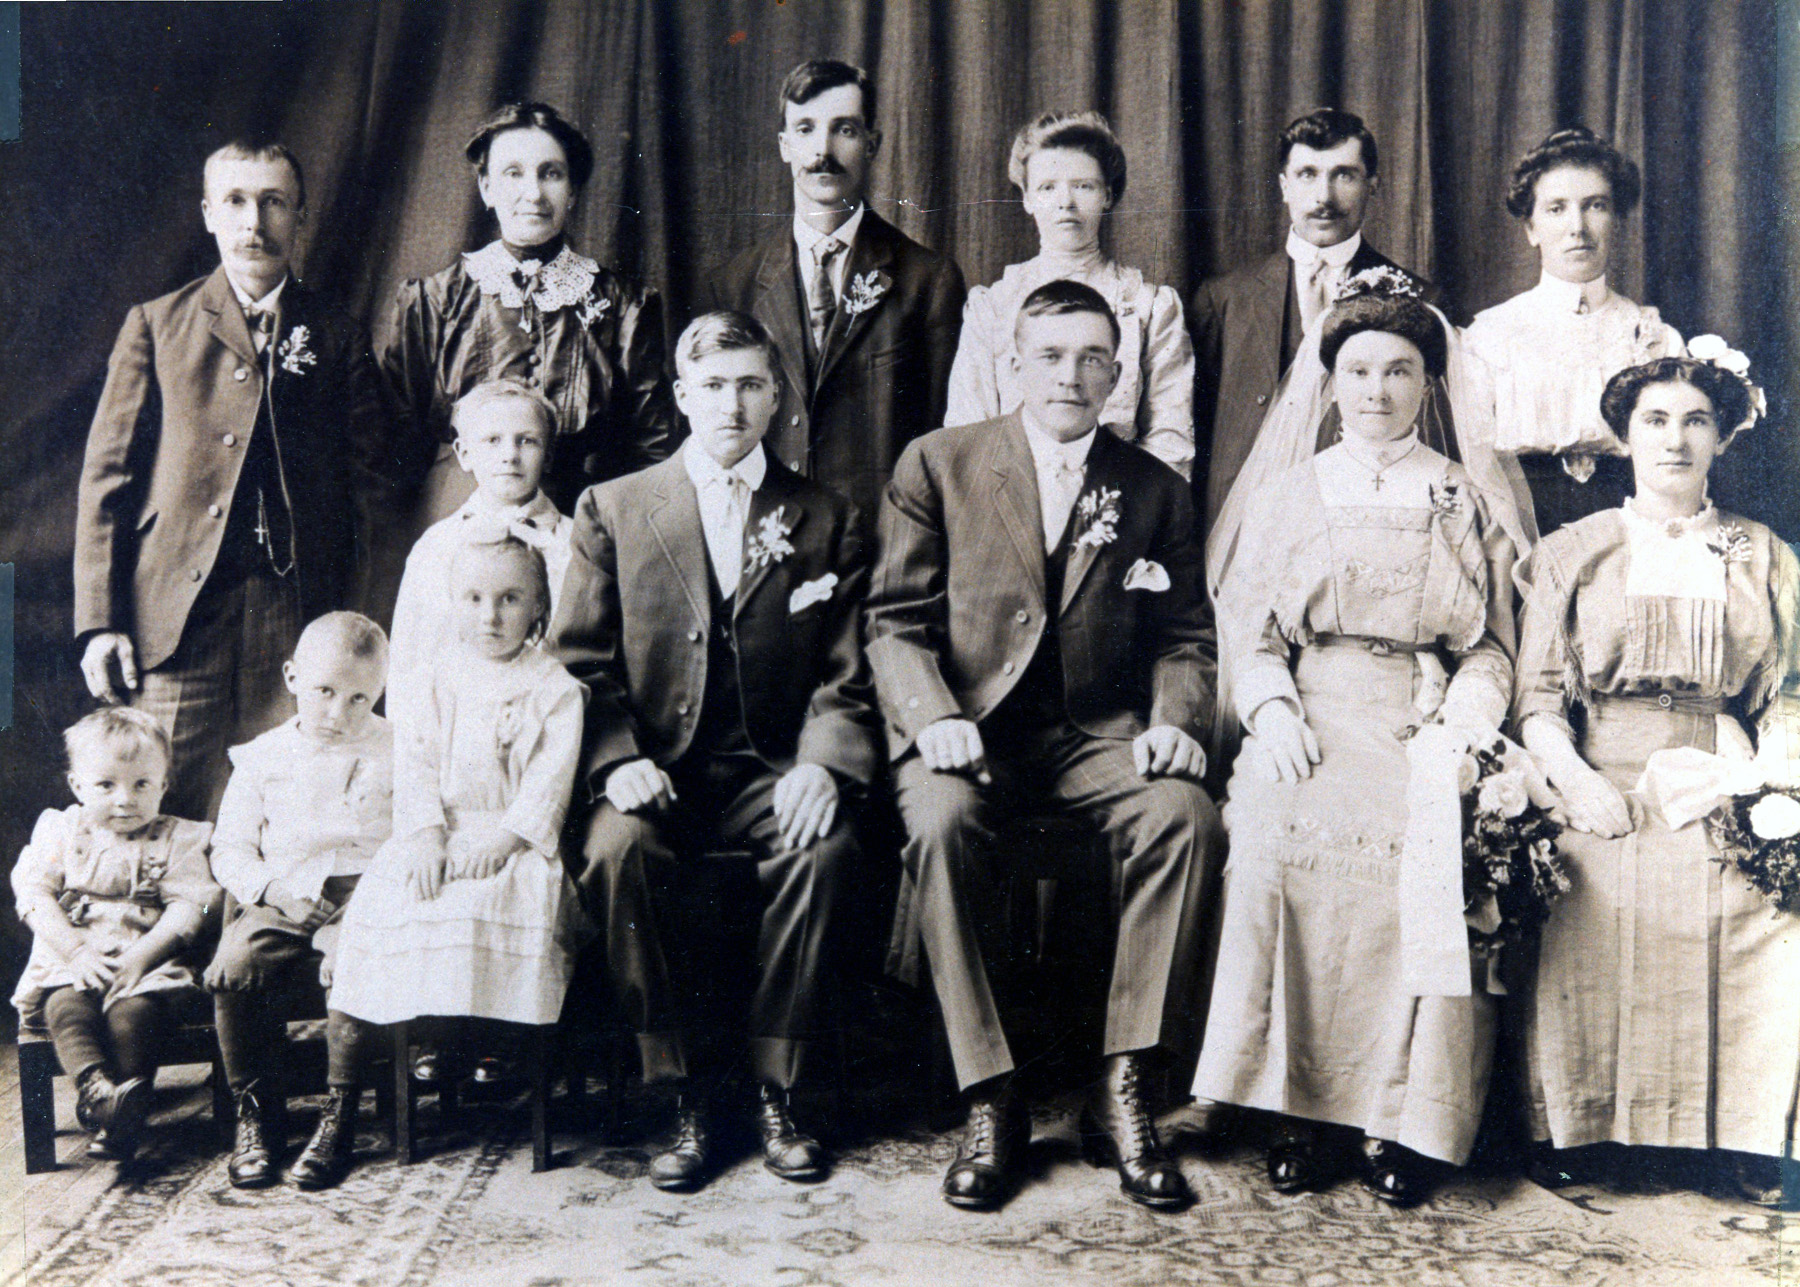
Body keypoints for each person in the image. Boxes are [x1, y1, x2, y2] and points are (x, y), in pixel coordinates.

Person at [866, 280, 1221, 1213]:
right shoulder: (939, 462)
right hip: (967, 729)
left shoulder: (1154, 487)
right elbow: (894, 621)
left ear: (1117, 372)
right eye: (1051, 356)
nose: (1071, 375)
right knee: (941, 822)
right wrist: (933, 715)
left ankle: (1125, 1084)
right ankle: (992, 1094)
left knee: (1184, 816)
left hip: (1093, 733)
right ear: (1013, 363)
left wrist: (1175, 722)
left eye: (1092, 358)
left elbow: (1186, 636)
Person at [1194, 271, 1529, 1207]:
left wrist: (1463, 725)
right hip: (1312, 711)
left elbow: (1492, 645)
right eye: (1359, 371)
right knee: (1271, 845)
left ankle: (1398, 1114)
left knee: (1427, 856)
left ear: (1430, 383)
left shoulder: (1461, 496)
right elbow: (1251, 630)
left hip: (1422, 716)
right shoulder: (1291, 492)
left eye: (1400, 370)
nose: (1377, 391)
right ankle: (1291, 1108)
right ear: (1331, 381)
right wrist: (1270, 710)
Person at [549, 311, 879, 1192]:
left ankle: (777, 1085)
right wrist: (616, 759)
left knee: (825, 847)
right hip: (655, 767)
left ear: (776, 398)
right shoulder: (615, 507)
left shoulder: (828, 516)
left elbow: (848, 669)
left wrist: (822, 763)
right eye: (714, 386)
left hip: (771, 768)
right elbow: (579, 662)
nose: (731, 404)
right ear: (682, 396)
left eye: (750, 385)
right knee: (617, 851)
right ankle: (684, 1089)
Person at [1513, 346, 1795, 1206]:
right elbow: (1538, 698)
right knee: (1583, 876)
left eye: (1696, 421)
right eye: (1656, 420)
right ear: (1625, 436)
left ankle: (1741, 1135)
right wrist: (1574, 780)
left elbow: (1786, 692)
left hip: (1721, 771)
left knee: (1764, 898)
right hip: (1602, 770)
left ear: (1723, 438)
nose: (1675, 440)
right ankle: (1583, 1126)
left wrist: (1772, 781)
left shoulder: (1761, 553)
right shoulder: (1576, 551)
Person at [74, 140, 388, 820]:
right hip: (176, 615)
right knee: (160, 805)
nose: (254, 223)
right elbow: (107, 481)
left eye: (274, 203)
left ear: (299, 216)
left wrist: (353, 623)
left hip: (294, 611)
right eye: (236, 202)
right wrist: (100, 622)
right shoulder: (157, 325)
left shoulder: (335, 333)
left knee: (287, 810)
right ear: (208, 214)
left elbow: (368, 492)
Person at [326, 535, 586, 1073]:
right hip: (441, 831)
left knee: (490, 903)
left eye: (510, 599)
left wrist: (506, 839)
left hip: (514, 841)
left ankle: (496, 1043)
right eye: (474, 599)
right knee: (411, 897)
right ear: (454, 602)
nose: (490, 616)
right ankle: (432, 1037)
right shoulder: (433, 679)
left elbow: (549, 780)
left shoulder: (554, 688)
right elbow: (416, 764)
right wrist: (426, 835)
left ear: (538, 605)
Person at [378, 101, 677, 536]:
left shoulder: (623, 305)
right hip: (456, 528)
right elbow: (393, 450)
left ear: (572, 191)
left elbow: (653, 451)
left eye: (551, 173)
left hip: (582, 530)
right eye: (513, 173)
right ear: (486, 188)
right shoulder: (432, 302)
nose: (533, 193)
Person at [706, 59, 965, 532]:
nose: (822, 151)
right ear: (784, 145)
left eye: (844, 130)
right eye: (805, 129)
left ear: (872, 144)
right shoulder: (732, 285)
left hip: (879, 546)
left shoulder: (928, 281)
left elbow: (936, 446)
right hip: (761, 541)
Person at [202, 612, 393, 1190]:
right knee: (235, 967)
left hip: (369, 894)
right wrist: (277, 892)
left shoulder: (397, 748)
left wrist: (360, 914)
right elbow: (229, 848)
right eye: (325, 691)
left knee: (353, 964)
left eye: (359, 698)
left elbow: (413, 837)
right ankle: (257, 1114)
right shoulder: (262, 757)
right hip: (283, 896)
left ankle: (339, 1115)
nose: (339, 713)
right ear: (292, 678)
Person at [1191, 108, 1437, 534]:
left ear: (1372, 184)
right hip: (1248, 525)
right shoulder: (1225, 298)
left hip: (1366, 519)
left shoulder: (1420, 299)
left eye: (1344, 175)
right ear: (1284, 186)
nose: (1324, 196)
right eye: (1307, 175)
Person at [10, 708, 218, 1161]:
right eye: (106, 785)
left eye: (142, 784)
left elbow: (198, 904)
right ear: (77, 786)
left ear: (164, 784)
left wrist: (144, 955)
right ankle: (96, 1089)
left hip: (148, 961)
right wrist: (75, 951)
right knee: (65, 1005)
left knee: (133, 1015)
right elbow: (32, 894)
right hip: (74, 956)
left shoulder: (180, 839)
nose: (125, 799)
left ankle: (125, 1117)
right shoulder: (61, 830)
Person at [944, 111, 1194, 478]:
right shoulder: (993, 307)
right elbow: (967, 433)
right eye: (1048, 187)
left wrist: (1113, 508)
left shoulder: (1149, 306)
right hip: (1007, 495)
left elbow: (1170, 442)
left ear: (1107, 195)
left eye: (1083, 186)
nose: (1066, 202)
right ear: (1027, 198)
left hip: (1119, 499)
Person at [1466, 127, 1683, 535]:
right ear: (1531, 229)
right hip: (1520, 533)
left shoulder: (1655, 338)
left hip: (1634, 532)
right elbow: (1476, 471)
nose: (1577, 227)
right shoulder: (1490, 336)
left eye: (1595, 206)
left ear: (1617, 220)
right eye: (1556, 209)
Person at [387, 379, 573, 722]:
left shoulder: (574, 543)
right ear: (464, 454)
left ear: (548, 455)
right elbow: (408, 664)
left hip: (552, 720)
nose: (510, 455)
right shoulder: (437, 546)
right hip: (457, 723)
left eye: (527, 441)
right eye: (493, 440)